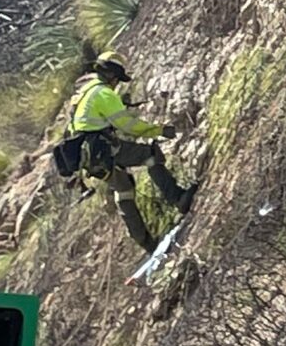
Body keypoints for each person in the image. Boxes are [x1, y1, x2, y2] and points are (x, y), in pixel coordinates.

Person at [67, 53, 193, 252]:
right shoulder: (103, 93)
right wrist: (159, 130)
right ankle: (178, 198)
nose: (117, 84)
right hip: (103, 149)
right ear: (112, 75)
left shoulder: (83, 93)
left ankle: (146, 243)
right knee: (150, 155)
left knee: (124, 190)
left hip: (89, 158)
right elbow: (128, 126)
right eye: (117, 79)